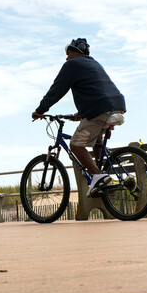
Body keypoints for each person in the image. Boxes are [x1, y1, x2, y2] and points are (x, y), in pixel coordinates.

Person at [32, 38, 127, 196]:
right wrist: (82, 114)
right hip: (116, 106)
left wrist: (40, 110)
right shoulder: (94, 63)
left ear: (75, 52)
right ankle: (100, 169)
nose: (66, 58)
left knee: (76, 145)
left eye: (68, 54)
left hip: (99, 110)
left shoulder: (72, 65)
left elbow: (56, 90)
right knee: (97, 137)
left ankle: (98, 176)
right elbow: (95, 89)